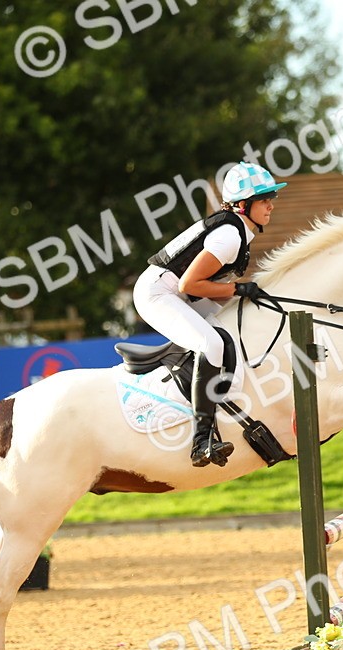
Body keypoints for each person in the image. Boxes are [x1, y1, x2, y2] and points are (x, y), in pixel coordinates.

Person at [132, 162, 285, 468]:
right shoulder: (229, 236)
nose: (271, 203)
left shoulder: (239, 231)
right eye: (264, 197)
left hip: (180, 292)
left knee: (232, 321)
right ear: (243, 205)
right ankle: (201, 441)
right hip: (158, 293)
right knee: (211, 345)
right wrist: (239, 289)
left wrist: (240, 293)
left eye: (271, 197)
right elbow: (190, 283)